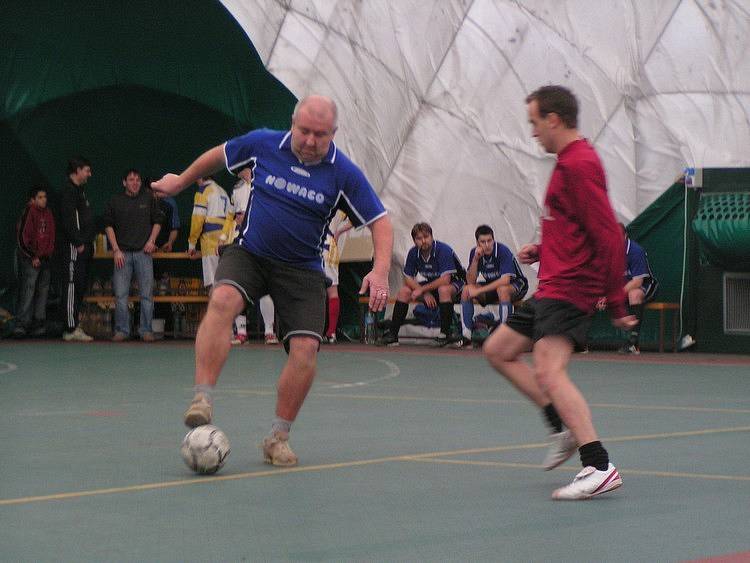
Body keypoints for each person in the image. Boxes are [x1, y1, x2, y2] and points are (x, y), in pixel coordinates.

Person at [152, 95, 393, 467]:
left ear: (335, 133)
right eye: (305, 131)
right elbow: (218, 154)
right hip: (251, 253)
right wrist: (180, 183)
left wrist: (378, 271)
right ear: (292, 123)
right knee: (222, 301)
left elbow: (380, 220)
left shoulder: (343, 172)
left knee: (305, 351)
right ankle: (202, 398)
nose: (312, 141)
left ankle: (278, 437)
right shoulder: (264, 143)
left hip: (302, 269)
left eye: (321, 135)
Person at [483, 85, 636, 500]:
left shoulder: (580, 164)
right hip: (553, 282)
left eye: (534, 122)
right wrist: (543, 249)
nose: (533, 132)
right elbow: (576, 227)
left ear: (553, 119)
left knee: (550, 370)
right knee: (498, 350)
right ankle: (563, 425)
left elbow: (607, 234)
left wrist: (616, 301)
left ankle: (599, 465)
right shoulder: (567, 163)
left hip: (571, 288)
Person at [381, 222, 465, 347]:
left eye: (426, 237)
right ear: (414, 241)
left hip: (455, 283)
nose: (423, 241)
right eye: (419, 238)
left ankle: (445, 334)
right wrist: (425, 293)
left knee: (443, 290)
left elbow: (445, 280)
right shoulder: (413, 253)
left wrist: (422, 290)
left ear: (432, 236)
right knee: (404, 291)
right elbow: (408, 278)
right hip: (431, 285)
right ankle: (393, 335)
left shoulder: (443, 250)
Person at [103, 169, 163, 342]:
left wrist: (152, 241)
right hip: (122, 254)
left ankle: (146, 330)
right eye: (131, 179)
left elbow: (158, 221)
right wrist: (115, 250)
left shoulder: (149, 198)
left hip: (143, 254)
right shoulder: (115, 201)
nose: (135, 182)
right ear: (124, 183)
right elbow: (108, 225)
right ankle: (122, 330)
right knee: (121, 295)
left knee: (146, 295)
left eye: (137, 179)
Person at [229, 164, 278, 345]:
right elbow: (234, 216)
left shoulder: (267, 184)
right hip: (241, 241)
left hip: (262, 241)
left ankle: (269, 331)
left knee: (265, 288)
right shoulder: (236, 189)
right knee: (239, 287)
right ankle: (241, 332)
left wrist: (249, 218)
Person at [460, 224, 528, 341]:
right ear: (477, 243)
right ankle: (466, 335)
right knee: (466, 290)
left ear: (493, 239)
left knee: (502, 290)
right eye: (483, 242)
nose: (487, 245)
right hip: (493, 286)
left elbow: (505, 280)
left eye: (489, 241)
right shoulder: (474, 253)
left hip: (516, 284)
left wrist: (480, 290)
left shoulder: (502, 250)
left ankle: (504, 335)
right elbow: (470, 281)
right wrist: (475, 260)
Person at [59, 156, 95, 342]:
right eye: (87, 170)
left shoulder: (80, 192)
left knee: (79, 286)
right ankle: (70, 328)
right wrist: (78, 242)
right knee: (72, 285)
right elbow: (69, 221)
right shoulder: (68, 192)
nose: (89, 174)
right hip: (74, 247)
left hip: (84, 246)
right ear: (77, 170)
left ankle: (74, 324)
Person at [14, 187, 56, 338]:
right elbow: (23, 238)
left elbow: (51, 236)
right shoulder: (29, 212)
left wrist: (48, 254)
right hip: (31, 260)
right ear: (32, 199)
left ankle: (39, 324)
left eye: (45, 197)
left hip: (45, 259)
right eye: (40, 197)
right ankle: (22, 324)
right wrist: (33, 256)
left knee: (43, 292)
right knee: (28, 290)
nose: (43, 200)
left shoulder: (49, 213)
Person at [614, 223, 658, 354]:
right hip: (621, 289)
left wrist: (615, 295)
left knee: (634, 294)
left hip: (646, 286)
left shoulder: (635, 251)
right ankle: (579, 342)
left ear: (625, 236)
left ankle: (633, 342)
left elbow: (638, 282)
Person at [187, 176, 234, 289]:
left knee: (214, 286)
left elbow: (197, 220)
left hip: (210, 242)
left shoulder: (203, 191)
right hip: (226, 242)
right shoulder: (223, 191)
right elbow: (231, 218)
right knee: (226, 284)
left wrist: (192, 244)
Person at [322, 209, 353, 343]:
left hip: (317, 244)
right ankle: (331, 332)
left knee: (319, 290)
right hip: (327, 245)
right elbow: (356, 217)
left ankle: (327, 331)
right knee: (331, 291)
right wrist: (338, 231)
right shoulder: (339, 201)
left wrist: (339, 231)